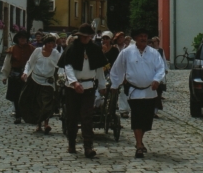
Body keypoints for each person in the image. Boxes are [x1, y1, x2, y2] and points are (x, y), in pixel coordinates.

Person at [110, 27, 165, 159]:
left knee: (146, 119)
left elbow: (160, 68)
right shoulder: (127, 52)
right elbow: (117, 68)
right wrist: (115, 84)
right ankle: (139, 144)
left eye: (145, 36)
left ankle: (140, 138)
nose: (143, 38)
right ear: (135, 38)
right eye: (141, 36)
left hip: (149, 91)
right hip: (134, 91)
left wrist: (157, 80)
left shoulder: (153, 53)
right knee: (137, 117)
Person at [58, 23, 107, 158]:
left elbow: (99, 69)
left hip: (89, 87)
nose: (86, 39)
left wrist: (102, 85)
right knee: (72, 117)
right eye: (83, 37)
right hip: (72, 88)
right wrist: (74, 83)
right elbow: (67, 67)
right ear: (79, 36)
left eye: (88, 37)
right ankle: (72, 143)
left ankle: (88, 146)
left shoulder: (95, 49)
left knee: (87, 117)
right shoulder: (72, 48)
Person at [19, 34, 61, 134]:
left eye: (53, 43)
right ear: (45, 44)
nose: (51, 45)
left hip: (48, 82)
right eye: (49, 43)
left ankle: (46, 123)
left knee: (47, 104)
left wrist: (61, 76)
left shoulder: (55, 53)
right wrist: (25, 72)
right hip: (35, 80)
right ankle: (39, 124)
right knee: (36, 104)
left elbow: (61, 65)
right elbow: (29, 63)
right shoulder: (37, 51)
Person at [1, 30, 35, 124]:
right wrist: (4, 76)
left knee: (28, 95)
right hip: (15, 75)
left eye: (24, 38)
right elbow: (7, 64)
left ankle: (27, 114)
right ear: (17, 39)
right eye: (21, 38)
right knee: (16, 96)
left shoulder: (32, 49)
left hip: (28, 75)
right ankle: (18, 116)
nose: (23, 40)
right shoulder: (12, 49)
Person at [113, 31, 130, 118]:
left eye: (122, 38)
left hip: (124, 71)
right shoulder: (114, 48)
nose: (121, 39)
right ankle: (114, 105)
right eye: (119, 38)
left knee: (124, 91)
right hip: (114, 70)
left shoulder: (127, 48)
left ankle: (124, 109)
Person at [151, 36, 168, 117]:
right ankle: (152, 110)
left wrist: (165, 68)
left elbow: (163, 60)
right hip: (152, 73)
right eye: (153, 41)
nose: (154, 43)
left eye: (155, 41)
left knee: (159, 90)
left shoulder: (161, 50)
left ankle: (155, 110)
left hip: (159, 73)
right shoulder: (151, 51)